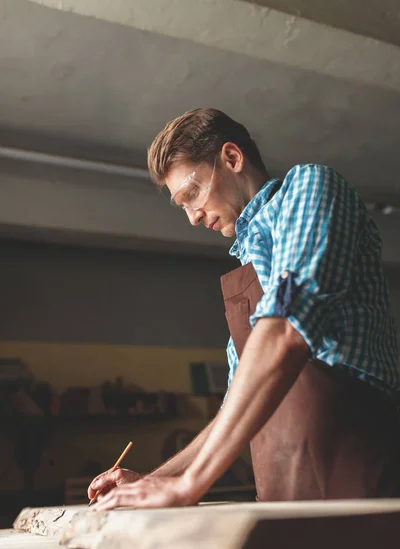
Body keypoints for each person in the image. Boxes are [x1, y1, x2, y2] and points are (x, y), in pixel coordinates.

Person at [88, 108, 400, 509]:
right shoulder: (249, 268)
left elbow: (288, 330)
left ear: (232, 158)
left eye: (193, 194)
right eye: (181, 205)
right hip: (280, 499)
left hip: (358, 477)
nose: (193, 217)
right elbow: (232, 411)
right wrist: (153, 480)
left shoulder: (309, 187)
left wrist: (188, 487)